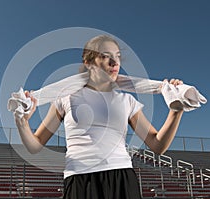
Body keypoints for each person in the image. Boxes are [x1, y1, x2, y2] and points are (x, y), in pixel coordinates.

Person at [14, 35, 184, 199]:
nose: (114, 62)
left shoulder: (127, 101)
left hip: (122, 178)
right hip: (80, 179)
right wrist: (22, 121)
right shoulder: (65, 98)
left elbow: (157, 145)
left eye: (117, 56)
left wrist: (176, 111)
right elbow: (35, 145)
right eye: (105, 56)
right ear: (88, 62)